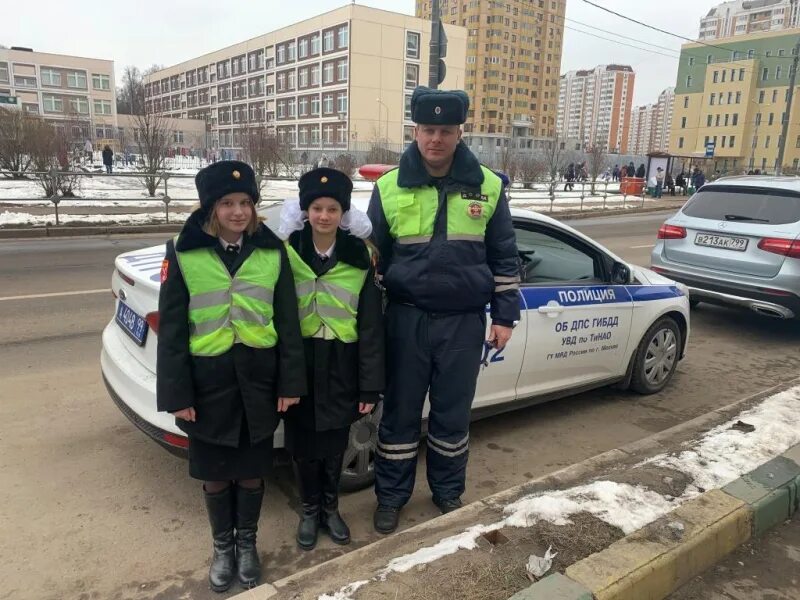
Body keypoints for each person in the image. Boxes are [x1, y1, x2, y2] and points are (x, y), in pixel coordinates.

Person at [367, 86, 520, 533]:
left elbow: (504, 255)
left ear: (459, 133)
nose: (436, 138)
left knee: (453, 414)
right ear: (415, 132)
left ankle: (447, 491)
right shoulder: (389, 187)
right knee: (398, 414)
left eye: (445, 130)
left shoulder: (488, 187)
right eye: (428, 129)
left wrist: (505, 317)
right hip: (405, 320)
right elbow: (374, 259)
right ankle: (391, 497)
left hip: (463, 323)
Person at [156, 161, 306, 593]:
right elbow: (172, 330)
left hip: (258, 383)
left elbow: (288, 323)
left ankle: (248, 545)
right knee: (216, 472)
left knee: (252, 470)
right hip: (207, 385)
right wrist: (177, 392)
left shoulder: (272, 251)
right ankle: (223, 547)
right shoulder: (183, 252)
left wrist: (289, 384)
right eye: (227, 203)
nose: (238, 212)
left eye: (245, 203)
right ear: (211, 207)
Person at [277, 167, 385, 551]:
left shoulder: (360, 258)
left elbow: (371, 327)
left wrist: (370, 384)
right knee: (303, 447)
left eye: (333, 208)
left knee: (335, 445)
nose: (324, 216)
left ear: (343, 214)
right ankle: (309, 511)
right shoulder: (286, 253)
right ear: (306, 211)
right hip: (299, 364)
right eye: (317, 208)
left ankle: (330, 508)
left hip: (342, 364)